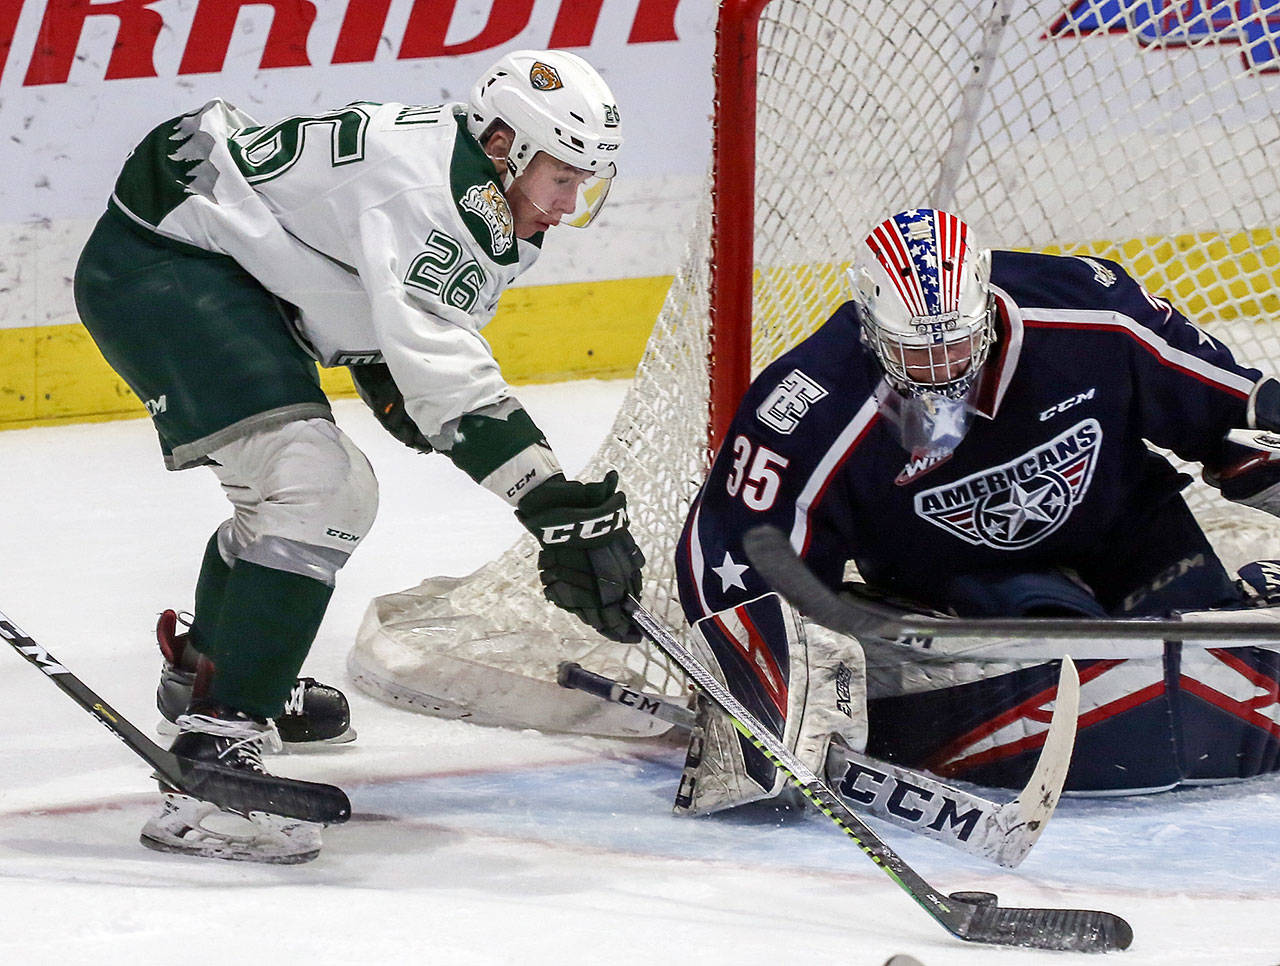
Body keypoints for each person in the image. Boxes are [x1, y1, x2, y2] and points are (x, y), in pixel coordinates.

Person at [73, 48, 644, 863]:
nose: (569, 202)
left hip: (232, 265)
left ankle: (217, 674)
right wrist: (549, 500)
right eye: (562, 177)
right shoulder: (438, 197)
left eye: (585, 182)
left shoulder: (477, 191)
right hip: (165, 261)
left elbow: (379, 296)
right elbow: (449, 375)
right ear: (505, 146)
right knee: (317, 489)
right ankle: (213, 760)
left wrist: (390, 367)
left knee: (293, 488)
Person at [673, 207, 1280, 815]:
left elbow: (1237, 413)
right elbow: (731, 546)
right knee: (1107, 714)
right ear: (870, 323)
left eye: (957, 343)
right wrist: (763, 679)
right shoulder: (814, 400)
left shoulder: (1094, 311)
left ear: (986, 305)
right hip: (964, 576)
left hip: (1130, 532)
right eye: (915, 353)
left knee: (1221, 670)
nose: (943, 371)